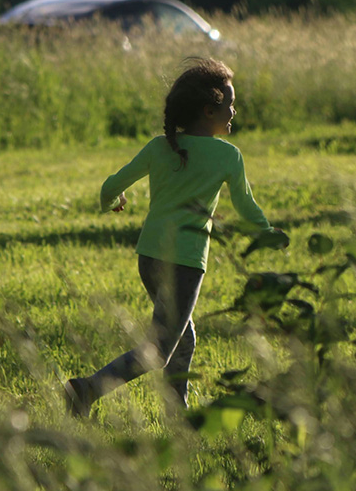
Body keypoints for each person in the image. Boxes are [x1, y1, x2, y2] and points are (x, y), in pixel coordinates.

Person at [64, 58, 284, 417]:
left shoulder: (159, 146)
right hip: (184, 263)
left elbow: (109, 187)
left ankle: (177, 418)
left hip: (150, 257)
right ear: (208, 111)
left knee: (183, 338)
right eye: (229, 105)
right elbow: (246, 205)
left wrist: (113, 203)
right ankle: (87, 389)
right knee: (160, 349)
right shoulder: (228, 155)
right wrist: (267, 233)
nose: (234, 111)